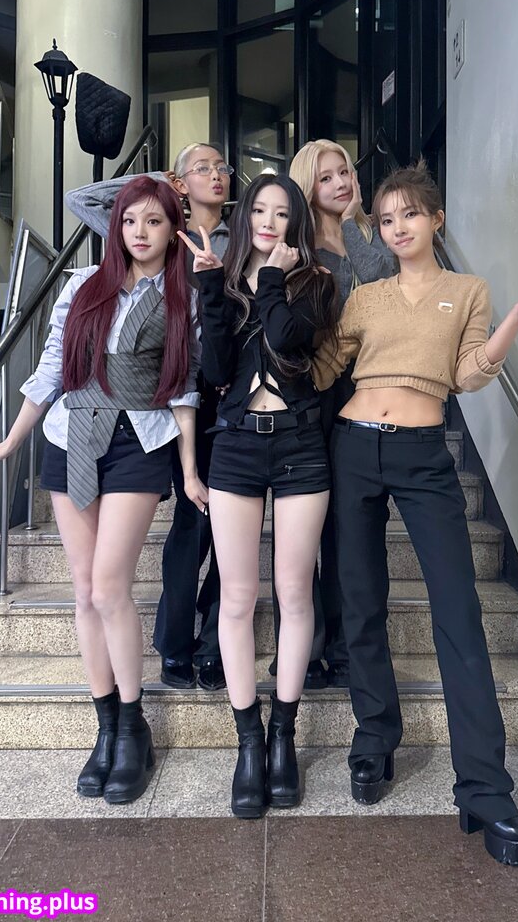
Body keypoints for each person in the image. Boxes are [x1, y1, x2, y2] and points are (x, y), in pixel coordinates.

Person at [313, 161, 518, 865]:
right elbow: (324, 367)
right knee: (360, 600)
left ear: (436, 220)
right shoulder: (365, 296)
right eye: (386, 219)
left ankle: (485, 789)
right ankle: (375, 740)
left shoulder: (468, 291)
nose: (397, 227)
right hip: (353, 446)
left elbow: (465, 374)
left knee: (458, 611)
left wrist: (513, 322)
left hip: (423, 454)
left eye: (409, 215)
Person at [0, 175, 205, 805]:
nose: (140, 233)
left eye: (155, 221)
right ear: (114, 226)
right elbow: (50, 370)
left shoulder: (182, 296)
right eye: (130, 220)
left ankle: (134, 725)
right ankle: (106, 727)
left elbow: (183, 390)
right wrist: (10, 442)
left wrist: (189, 470)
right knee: (83, 591)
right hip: (71, 436)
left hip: (138, 443)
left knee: (107, 586)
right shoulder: (83, 286)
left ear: (172, 230)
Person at [180, 173, 338, 818]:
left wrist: (271, 276)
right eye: (260, 212)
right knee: (238, 597)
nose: (270, 222)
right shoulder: (222, 284)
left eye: (282, 213)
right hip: (237, 447)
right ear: (244, 218)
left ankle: (283, 736)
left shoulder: (317, 283)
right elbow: (216, 371)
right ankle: (248, 740)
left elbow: (290, 339)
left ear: (296, 224)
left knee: (295, 594)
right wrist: (211, 290)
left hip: (301, 445)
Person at [67, 145, 232, 692]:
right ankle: (174, 642)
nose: (217, 175)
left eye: (223, 168)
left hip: (219, 392)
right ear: (180, 181)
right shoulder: (150, 227)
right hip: (166, 400)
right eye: (203, 168)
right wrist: (154, 185)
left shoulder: (237, 237)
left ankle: (213, 644)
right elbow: (85, 201)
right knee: (189, 524)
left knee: (224, 527)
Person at [288, 139, 396, 687]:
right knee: (310, 521)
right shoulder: (298, 245)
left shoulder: (369, 237)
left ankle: (349, 649)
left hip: (368, 387)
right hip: (316, 389)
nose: (339, 183)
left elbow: (381, 281)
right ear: (307, 185)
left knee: (352, 523)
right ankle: (306, 648)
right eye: (325, 176)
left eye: (345, 172)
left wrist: (353, 222)